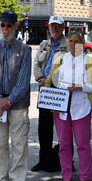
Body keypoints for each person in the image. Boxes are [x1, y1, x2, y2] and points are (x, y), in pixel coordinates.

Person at [45, 31, 92, 181]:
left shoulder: (89, 61)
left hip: (81, 108)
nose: (73, 44)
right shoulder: (60, 59)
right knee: (64, 145)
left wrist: (81, 87)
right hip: (62, 109)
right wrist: (49, 89)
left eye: (76, 41)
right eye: (70, 41)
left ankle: (85, 178)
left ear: (82, 43)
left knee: (82, 145)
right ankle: (66, 178)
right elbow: (50, 81)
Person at [0, 11, 32, 181]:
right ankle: (0, 180)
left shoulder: (24, 50)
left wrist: (9, 100)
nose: (5, 29)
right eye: (2, 25)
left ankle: (17, 180)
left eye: (9, 25)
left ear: (15, 26)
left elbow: (23, 80)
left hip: (17, 105)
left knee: (19, 144)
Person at [32, 15, 68, 172]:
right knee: (44, 127)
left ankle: (66, 161)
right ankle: (43, 160)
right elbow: (37, 63)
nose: (54, 28)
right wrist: (39, 77)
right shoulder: (44, 44)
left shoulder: (69, 44)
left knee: (64, 127)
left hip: (61, 91)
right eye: (52, 25)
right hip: (45, 89)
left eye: (57, 26)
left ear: (63, 27)